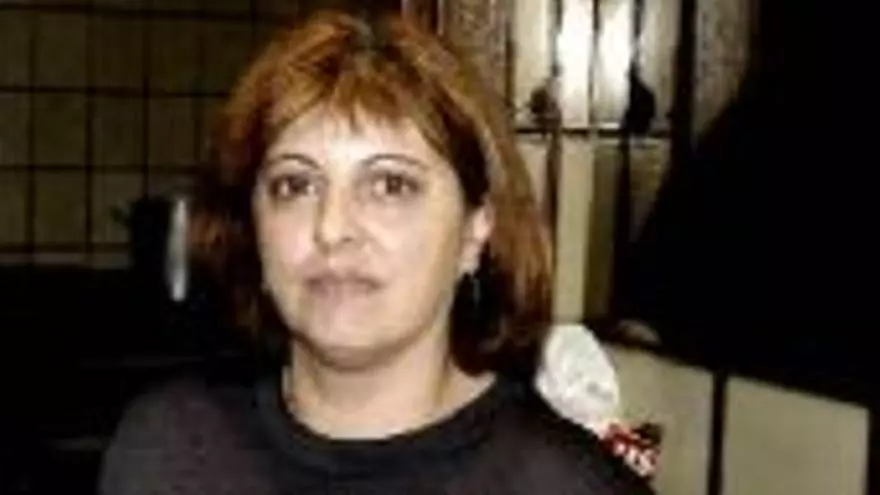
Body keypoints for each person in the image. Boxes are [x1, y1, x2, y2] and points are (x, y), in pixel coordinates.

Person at [99, 9, 653, 495]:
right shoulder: (170, 450)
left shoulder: (568, 486)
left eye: (390, 185)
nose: (332, 228)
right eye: (296, 185)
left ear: (475, 230)